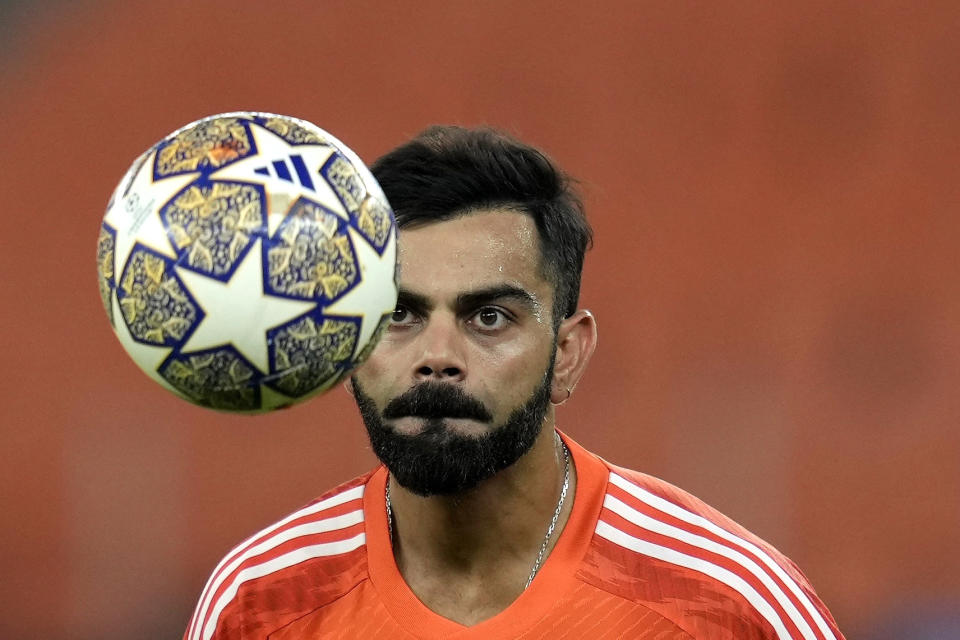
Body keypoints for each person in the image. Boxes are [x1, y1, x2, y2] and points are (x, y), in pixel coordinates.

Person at [183, 126, 846, 640]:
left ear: (567, 353)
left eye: (489, 317)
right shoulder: (260, 602)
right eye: (400, 315)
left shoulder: (724, 600)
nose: (437, 356)